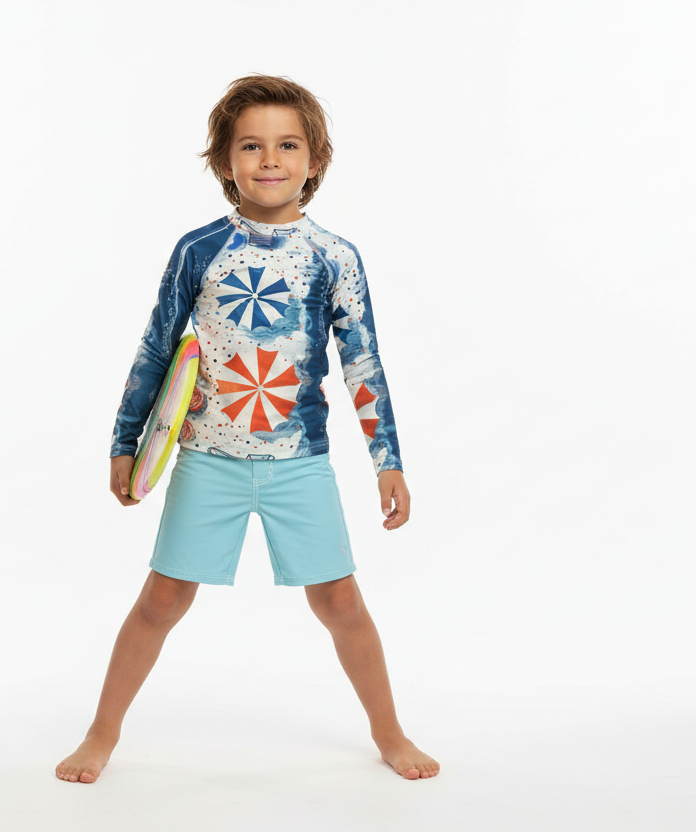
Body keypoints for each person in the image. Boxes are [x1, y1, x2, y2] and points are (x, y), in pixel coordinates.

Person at [56, 74, 439, 783]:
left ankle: (389, 733)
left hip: (300, 463)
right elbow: (157, 347)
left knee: (341, 602)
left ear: (315, 159)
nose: (270, 159)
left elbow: (362, 361)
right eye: (251, 145)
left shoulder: (334, 257)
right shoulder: (198, 249)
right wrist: (125, 442)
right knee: (162, 599)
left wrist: (387, 460)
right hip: (207, 459)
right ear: (224, 161)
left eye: (288, 145)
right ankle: (101, 733)